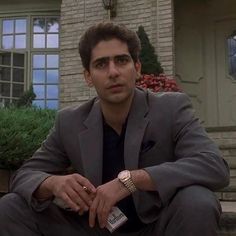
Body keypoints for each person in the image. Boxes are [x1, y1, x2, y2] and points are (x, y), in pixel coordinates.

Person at [0, 22, 230, 236]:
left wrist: (131, 180)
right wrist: (52, 183)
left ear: (137, 68)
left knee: (198, 201)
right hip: (93, 228)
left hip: (157, 225)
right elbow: (23, 177)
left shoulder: (171, 108)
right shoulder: (69, 122)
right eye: (101, 64)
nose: (113, 72)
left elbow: (213, 166)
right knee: (11, 207)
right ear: (88, 77)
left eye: (121, 61)